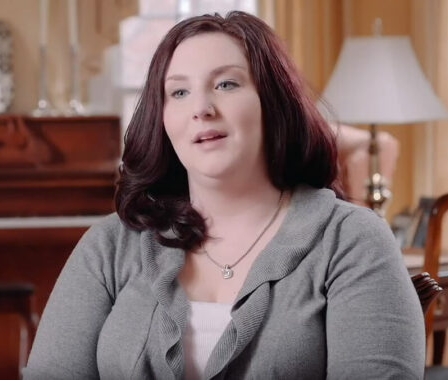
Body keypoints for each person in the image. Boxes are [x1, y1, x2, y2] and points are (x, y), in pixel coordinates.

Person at [24, 11, 424, 380]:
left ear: (273, 102)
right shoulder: (109, 245)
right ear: (162, 118)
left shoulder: (352, 240)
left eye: (226, 84)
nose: (201, 107)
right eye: (178, 93)